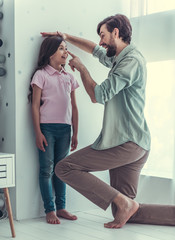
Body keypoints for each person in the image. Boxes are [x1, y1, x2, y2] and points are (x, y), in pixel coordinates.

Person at [41, 14, 175, 228]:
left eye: (103, 35)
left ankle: (123, 202)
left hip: (126, 142)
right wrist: (65, 36)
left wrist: (82, 69)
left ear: (116, 32)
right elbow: (95, 50)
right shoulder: (120, 57)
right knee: (129, 211)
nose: (101, 41)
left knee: (64, 168)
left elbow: (98, 95)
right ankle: (127, 205)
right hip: (136, 143)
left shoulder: (130, 61)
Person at [28, 36, 79, 224]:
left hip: (65, 130)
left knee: (61, 170)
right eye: (61, 48)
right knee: (46, 170)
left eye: (66, 48)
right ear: (50, 53)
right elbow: (34, 106)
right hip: (47, 129)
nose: (65, 52)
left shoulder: (69, 77)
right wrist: (37, 132)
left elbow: (74, 106)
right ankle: (50, 210)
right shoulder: (40, 75)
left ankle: (62, 207)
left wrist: (76, 132)